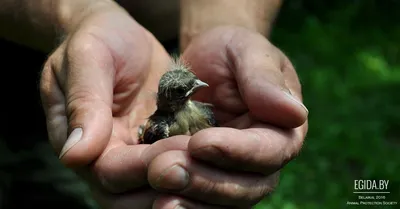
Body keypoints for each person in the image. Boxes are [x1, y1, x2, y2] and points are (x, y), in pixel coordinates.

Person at [0, 0, 309, 208]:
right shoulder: (159, 127)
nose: (199, 87)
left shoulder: (202, 113)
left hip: (167, 38)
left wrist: (226, 22)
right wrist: (80, 13)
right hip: (24, 51)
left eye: (195, 85)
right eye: (188, 88)